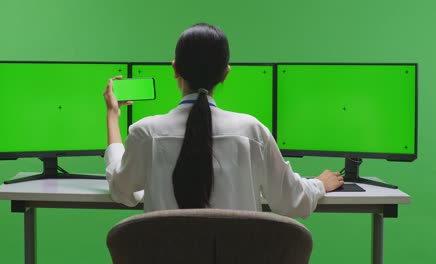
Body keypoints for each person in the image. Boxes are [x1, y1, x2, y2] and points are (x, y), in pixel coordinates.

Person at [103, 23, 344, 218]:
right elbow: (293, 200)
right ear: (225, 73)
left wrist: (112, 116)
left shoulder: (146, 132)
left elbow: (121, 188)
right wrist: (319, 184)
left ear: (175, 69)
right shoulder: (253, 132)